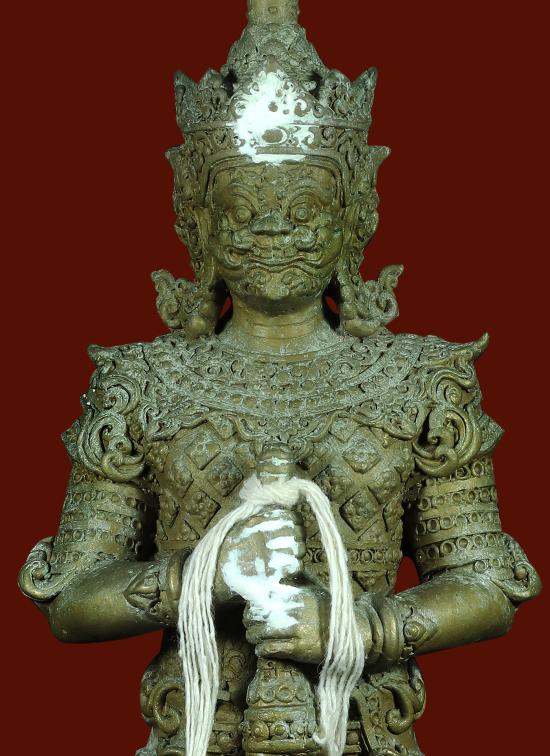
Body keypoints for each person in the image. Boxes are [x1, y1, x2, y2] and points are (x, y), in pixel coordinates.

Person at [18, 2, 540, 754]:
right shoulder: (143, 382)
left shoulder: (420, 381)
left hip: (364, 731)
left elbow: (486, 584)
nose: (273, 232)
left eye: (303, 210)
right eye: (242, 211)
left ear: (353, 217)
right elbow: (70, 597)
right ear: (200, 223)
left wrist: (359, 628)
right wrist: (201, 577)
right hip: (199, 729)